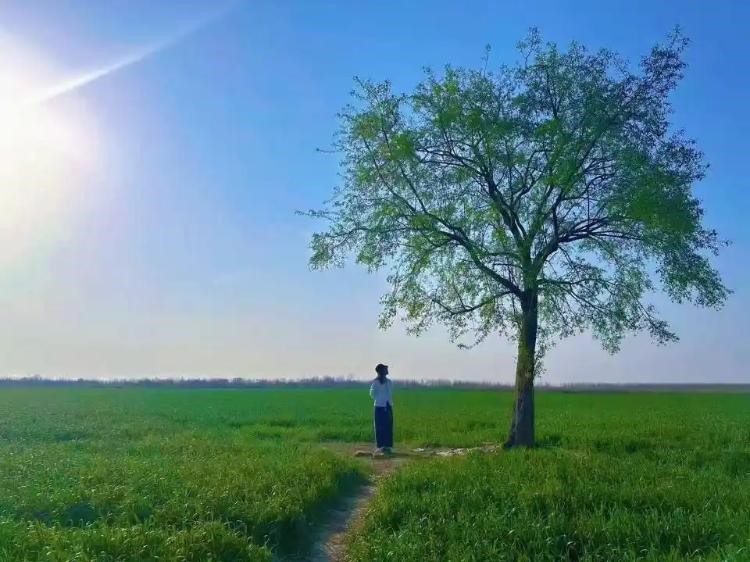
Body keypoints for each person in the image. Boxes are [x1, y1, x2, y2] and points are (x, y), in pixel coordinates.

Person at [369, 363, 394, 453]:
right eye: (385, 369)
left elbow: (390, 393)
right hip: (379, 407)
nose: (387, 370)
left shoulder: (389, 382)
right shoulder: (376, 382)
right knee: (379, 426)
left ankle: (388, 446)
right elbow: (372, 394)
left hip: (388, 406)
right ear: (381, 371)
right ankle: (380, 446)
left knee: (388, 426)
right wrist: (379, 399)